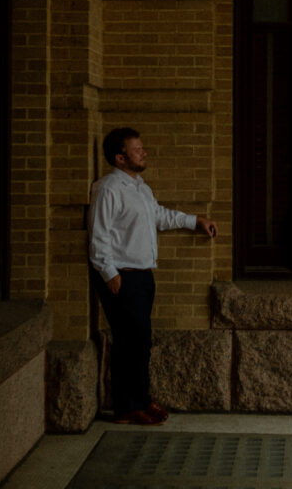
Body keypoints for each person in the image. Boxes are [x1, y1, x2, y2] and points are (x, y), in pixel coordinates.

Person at [88, 126, 218, 425]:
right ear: (121, 158)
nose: (144, 152)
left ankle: (141, 400)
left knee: (140, 341)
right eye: (137, 150)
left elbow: (159, 216)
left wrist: (195, 221)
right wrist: (110, 273)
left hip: (143, 275)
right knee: (129, 341)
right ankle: (126, 408)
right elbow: (98, 236)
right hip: (121, 275)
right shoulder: (108, 188)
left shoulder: (140, 187)